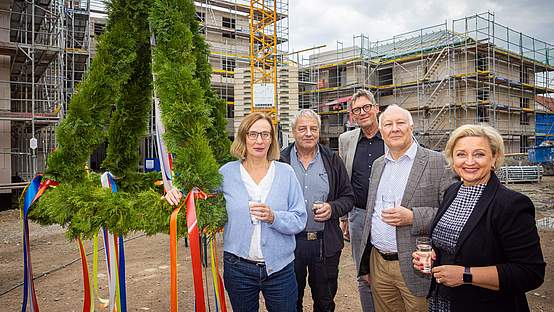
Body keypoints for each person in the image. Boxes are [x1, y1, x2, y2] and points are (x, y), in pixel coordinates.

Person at [165, 112, 307, 312]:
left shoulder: (286, 173)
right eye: (253, 134)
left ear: (272, 140)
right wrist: (176, 191)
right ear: (243, 137)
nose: (259, 140)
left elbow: (299, 219)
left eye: (265, 134)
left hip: (280, 268)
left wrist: (274, 217)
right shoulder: (226, 173)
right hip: (238, 268)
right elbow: (198, 195)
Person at [412, 124, 545, 312]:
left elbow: (530, 273)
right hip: (443, 302)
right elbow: (457, 246)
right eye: (461, 154)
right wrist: (433, 257)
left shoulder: (511, 204)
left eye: (479, 154)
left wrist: (466, 275)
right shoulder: (453, 192)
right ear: (452, 159)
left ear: (495, 158)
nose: (469, 161)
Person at [357, 104, 457, 312]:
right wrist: (367, 263)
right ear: (381, 131)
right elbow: (371, 214)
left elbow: (453, 213)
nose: (394, 128)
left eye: (400, 123)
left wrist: (413, 217)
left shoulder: (437, 162)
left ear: (411, 127)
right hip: (379, 263)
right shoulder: (378, 165)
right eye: (388, 124)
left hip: (415, 264)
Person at [280, 109, 354, 312]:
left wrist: (332, 208)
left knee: (325, 302)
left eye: (313, 128)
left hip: (324, 244)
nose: (308, 133)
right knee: (290, 301)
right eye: (302, 128)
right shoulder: (279, 161)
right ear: (293, 132)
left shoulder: (332, 160)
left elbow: (348, 197)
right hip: (289, 244)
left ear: (319, 132)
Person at [338, 89, 384, 312]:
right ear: (352, 115)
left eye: (367, 107)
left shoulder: (392, 134)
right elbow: (344, 180)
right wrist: (345, 217)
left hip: (388, 216)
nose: (363, 112)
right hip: (358, 214)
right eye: (357, 110)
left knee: (390, 271)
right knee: (363, 274)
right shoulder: (346, 140)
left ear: (376, 109)